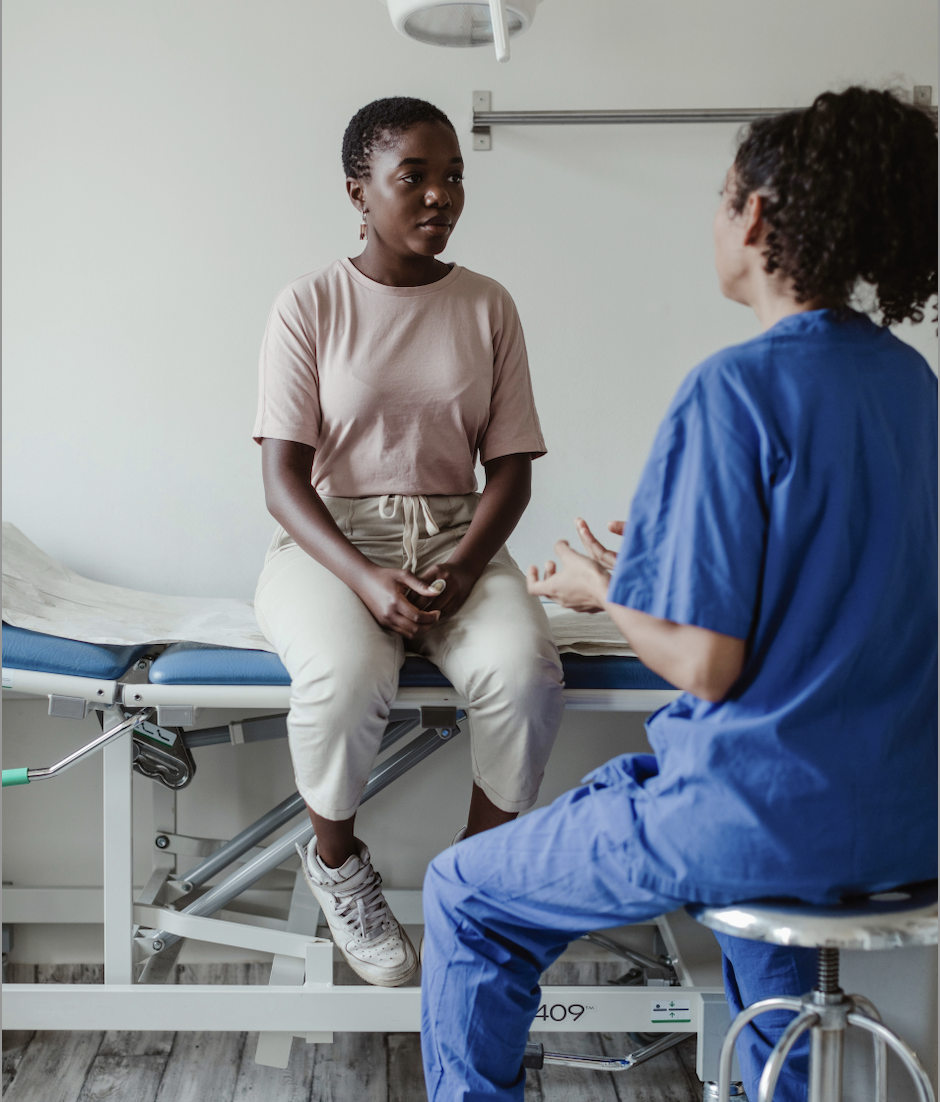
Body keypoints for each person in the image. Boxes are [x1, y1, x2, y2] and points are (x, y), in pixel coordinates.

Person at [420, 86, 937, 1101]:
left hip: (763, 818)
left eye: (718, 197)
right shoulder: (912, 390)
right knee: (649, 789)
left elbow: (708, 659)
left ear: (751, 217)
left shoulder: (732, 392)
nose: (713, 219)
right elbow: (829, 599)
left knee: (462, 892)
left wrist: (592, 591)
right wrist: (636, 583)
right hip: (908, 814)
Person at [253, 97, 564, 989]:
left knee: (526, 673)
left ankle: (475, 879)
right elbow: (281, 482)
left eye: (454, 175)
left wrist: (464, 570)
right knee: (347, 677)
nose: (440, 195)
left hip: (460, 539)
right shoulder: (308, 304)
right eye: (414, 176)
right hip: (331, 541)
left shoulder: (487, 304)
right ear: (359, 191)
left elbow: (510, 469)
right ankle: (339, 865)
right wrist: (363, 578)